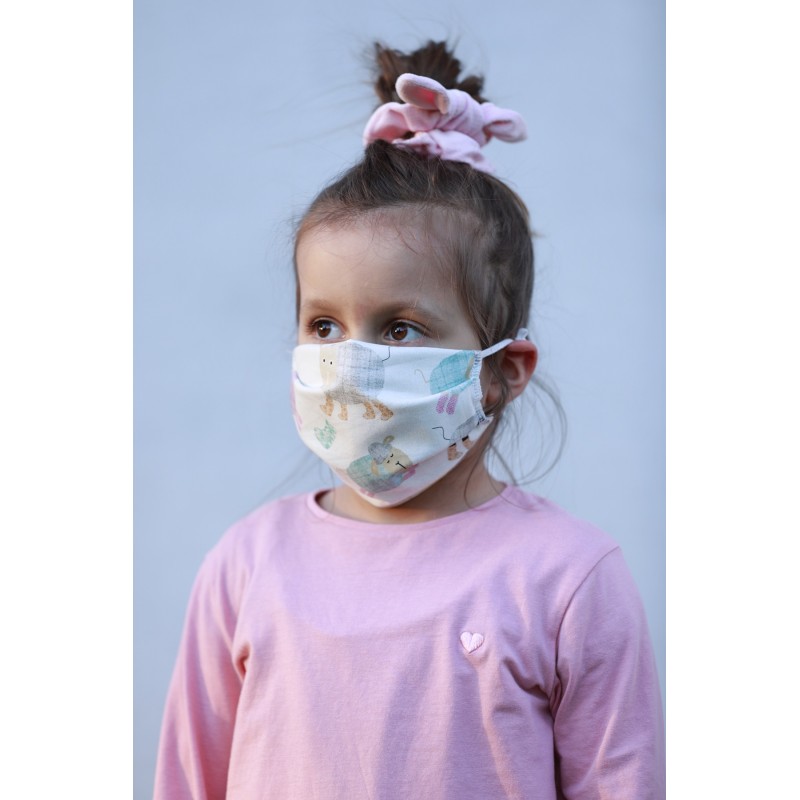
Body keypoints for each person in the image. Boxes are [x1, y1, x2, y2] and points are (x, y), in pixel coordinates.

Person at [154, 40, 665, 799]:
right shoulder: (245, 567)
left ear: (503, 370)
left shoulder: (569, 580)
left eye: (399, 329)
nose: (350, 362)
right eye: (324, 326)